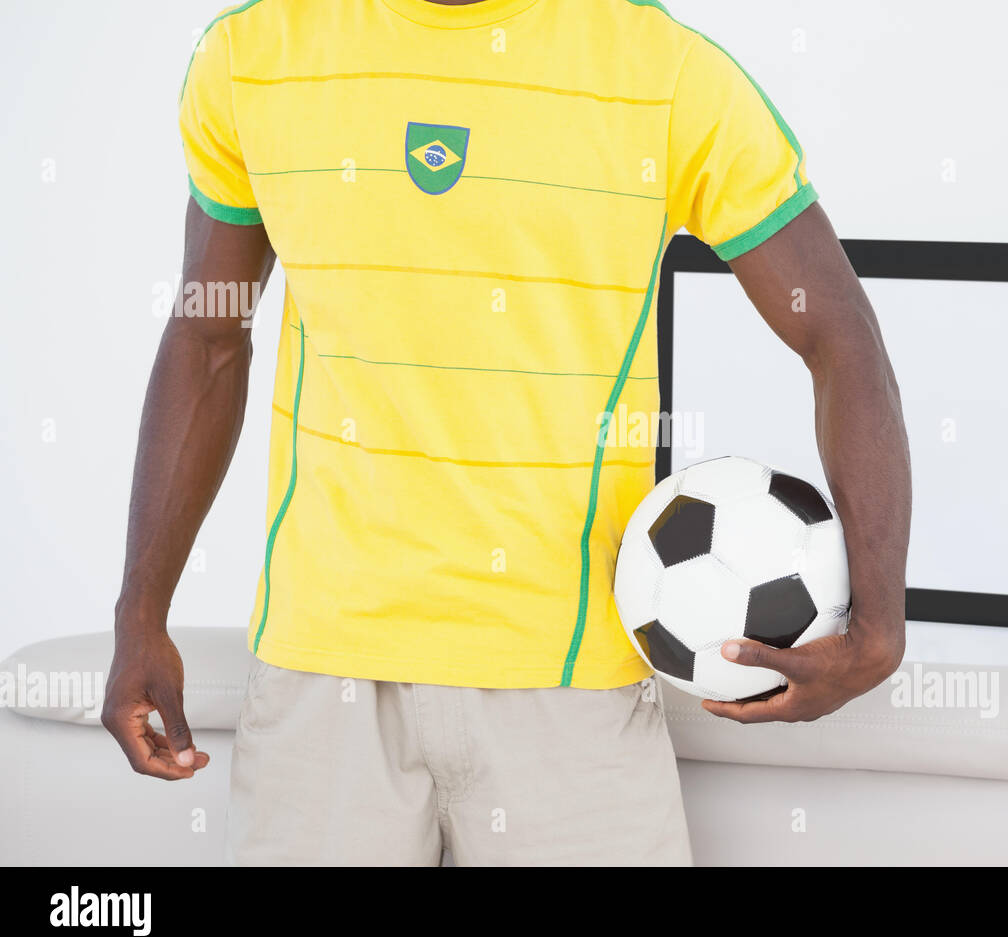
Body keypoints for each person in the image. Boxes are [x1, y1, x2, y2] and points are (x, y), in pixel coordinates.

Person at [103, 0, 911, 866]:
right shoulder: (253, 54)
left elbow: (838, 332)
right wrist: (139, 614)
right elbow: (208, 338)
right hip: (321, 676)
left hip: (571, 689)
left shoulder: (664, 71)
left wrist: (881, 623)